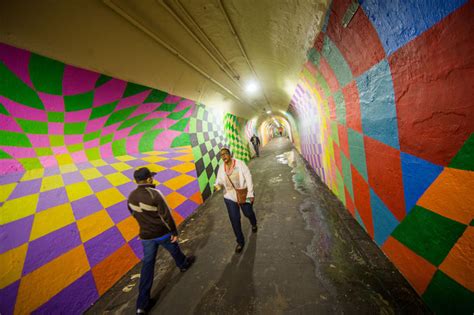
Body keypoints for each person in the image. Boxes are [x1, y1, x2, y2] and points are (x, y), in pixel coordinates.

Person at [128, 167, 195, 314]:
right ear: (148, 179)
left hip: (146, 236)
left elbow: (133, 214)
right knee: (174, 248)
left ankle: (141, 305)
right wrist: (174, 231)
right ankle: (183, 265)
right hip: (161, 233)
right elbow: (166, 215)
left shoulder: (131, 196)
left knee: (147, 266)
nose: (153, 178)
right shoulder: (155, 194)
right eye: (151, 177)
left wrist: (146, 224)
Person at [214, 147, 257, 253]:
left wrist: (250, 193)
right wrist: (217, 185)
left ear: (230, 154)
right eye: (221, 155)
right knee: (234, 219)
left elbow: (248, 177)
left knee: (248, 213)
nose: (223, 156)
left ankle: (254, 223)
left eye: (225, 154)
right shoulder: (221, 168)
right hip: (229, 197)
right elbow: (218, 180)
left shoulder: (240, 163)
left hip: (243, 194)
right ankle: (240, 241)